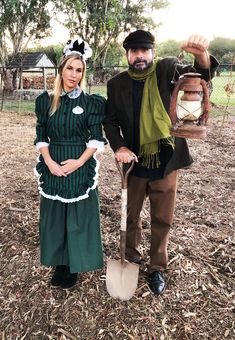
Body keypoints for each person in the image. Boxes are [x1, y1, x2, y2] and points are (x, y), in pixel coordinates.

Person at [103, 30, 219, 295]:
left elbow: (198, 76)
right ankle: (131, 258)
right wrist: (119, 145)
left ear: (152, 52)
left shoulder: (166, 70)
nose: (140, 55)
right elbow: (109, 121)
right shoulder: (116, 84)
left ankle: (157, 268)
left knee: (162, 218)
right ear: (128, 55)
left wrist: (201, 55)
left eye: (144, 50)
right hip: (133, 162)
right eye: (134, 51)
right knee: (130, 216)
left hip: (166, 160)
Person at [34, 38, 106, 289]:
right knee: (55, 216)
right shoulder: (45, 101)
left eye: (79, 70)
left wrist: (78, 163)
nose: (74, 75)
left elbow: (96, 138)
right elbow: (41, 135)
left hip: (79, 164)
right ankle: (59, 263)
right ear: (61, 69)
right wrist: (50, 162)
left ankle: (76, 264)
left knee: (77, 217)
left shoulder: (91, 103)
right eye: (70, 68)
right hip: (53, 162)